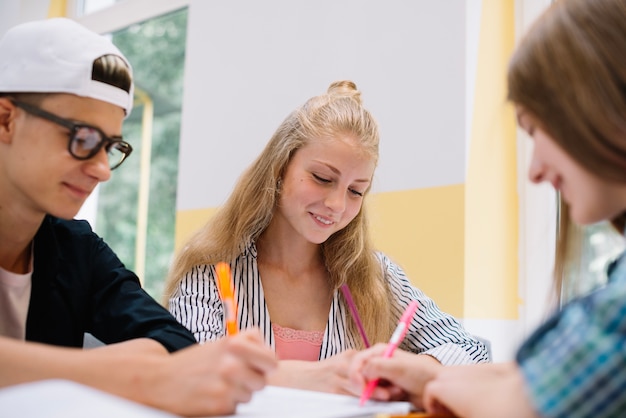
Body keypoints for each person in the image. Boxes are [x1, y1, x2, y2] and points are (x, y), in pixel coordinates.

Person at [348, 0, 626, 416]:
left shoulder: (380, 272)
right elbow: (531, 377)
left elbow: (518, 395)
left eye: (536, 130)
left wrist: (434, 376)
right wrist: (435, 380)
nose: (534, 171)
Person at [0, 17, 276, 416]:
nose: (102, 169)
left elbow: (174, 342)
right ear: (7, 119)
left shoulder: (75, 249)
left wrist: (135, 366)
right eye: (82, 139)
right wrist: (114, 372)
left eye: (111, 146)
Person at [164, 80, 490, 396]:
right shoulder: (212, 268)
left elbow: (472, 350)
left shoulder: (376, 277)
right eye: (322, 178)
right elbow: (191, 368)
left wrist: (412, 370)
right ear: (279, 169)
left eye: (356, 191)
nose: (337, 204)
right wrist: (316, 378)